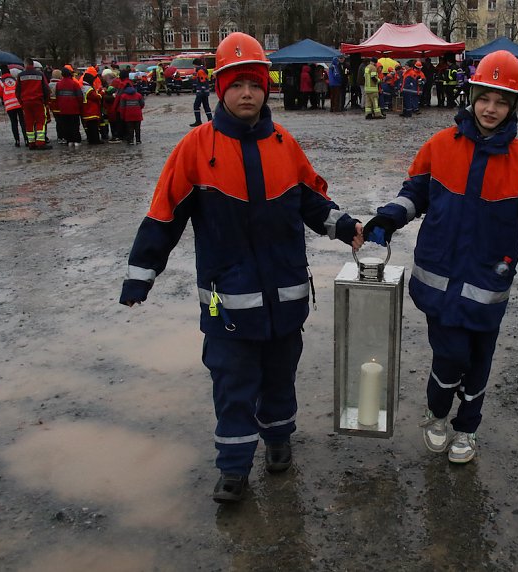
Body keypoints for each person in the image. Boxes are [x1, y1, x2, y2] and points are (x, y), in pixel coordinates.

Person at [119, 32, 364, 504]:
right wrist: (140, 274)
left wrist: (347, 227)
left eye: (253, 83)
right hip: (227, 303)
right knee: (233, 385)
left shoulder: (283, 143)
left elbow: (313, 202)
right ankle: (233, 468)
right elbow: (163, 214)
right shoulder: (195, 147)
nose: (246, 93)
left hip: (285, 296)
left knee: (279, 379)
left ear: (266, 88)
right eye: (236, 85)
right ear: (219, 89)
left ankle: (277, 444)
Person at [362, 50, 518, 464]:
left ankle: (467, 427)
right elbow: (414, 193)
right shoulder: (440, 146)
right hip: (438, 279)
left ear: (513, 106)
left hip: (488, 284)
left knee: (480, 361)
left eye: (502, 101)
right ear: (471, 95)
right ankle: (437, 415)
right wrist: (387, 221)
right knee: (451, 354)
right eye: (484, 97)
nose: (491, 108)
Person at [16, 58, 52, 150]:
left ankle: (31, 143)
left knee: (29, 123)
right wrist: (46, 101)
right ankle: (40, 142)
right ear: (33, 64)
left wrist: (21, 102)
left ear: (25, 65)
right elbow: (46, 89)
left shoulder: (20, 76)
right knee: (40, 121)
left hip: (26, 103)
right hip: (38, 101)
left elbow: (17, 91)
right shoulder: (40, 75)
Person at [0, 65, 28, 147]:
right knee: (23, 122)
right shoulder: (15, 79)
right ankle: (27, 139)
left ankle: (17, 141)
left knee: (14, 123)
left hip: (10, 106)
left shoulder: (0, 82)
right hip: (19, 103)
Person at [55, 67, 83, 146]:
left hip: (63, 109)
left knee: (66, 126)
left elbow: (57, 96)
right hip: (74, 109)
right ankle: (76, 140)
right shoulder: (74, 83)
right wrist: (80, 106)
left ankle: (69, 140)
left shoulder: (59, 84)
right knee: (74, 125)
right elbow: (80, 96)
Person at [117, 78, 144, 144]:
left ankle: (131, 140)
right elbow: (142, 104)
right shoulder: (138, 95)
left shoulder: (123, 96)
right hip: (137, 114)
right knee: (137, 128)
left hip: (128, 115)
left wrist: (122, 116)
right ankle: (138, 140)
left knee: (130, 128)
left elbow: (122, 107)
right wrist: (138, 109)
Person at [80, 70, 104, 144]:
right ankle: (95, 140)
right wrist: (102, 92)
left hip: (85, 111)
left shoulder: (83, 87)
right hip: (91, 112)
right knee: (94, 128)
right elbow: (96, 97)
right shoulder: (89, 89)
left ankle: (91, 140)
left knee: (89, 128)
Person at [189, 58, 212, 127]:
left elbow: (202, 80)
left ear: (195, 64)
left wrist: (201, 89)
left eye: (194, 65)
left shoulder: (199, 70)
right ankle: (210, 120)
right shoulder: (203, 69)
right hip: (205, 90)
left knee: (196, 106)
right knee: (206, 105)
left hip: (201, 91)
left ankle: (198, 121)